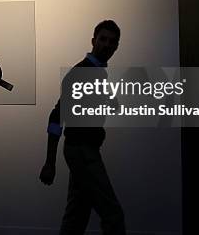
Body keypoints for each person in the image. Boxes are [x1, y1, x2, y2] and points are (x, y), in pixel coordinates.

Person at [39, 20, 126, 235]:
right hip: (82, 152)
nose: (106, 45)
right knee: (113, 215)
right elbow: (57, 116)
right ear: (93, 40)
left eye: (112, 42)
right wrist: (50, 163)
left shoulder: (97, 74)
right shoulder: (80, 73)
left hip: (86, 150)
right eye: (103, 39)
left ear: (116, 48)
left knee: (77, 215)